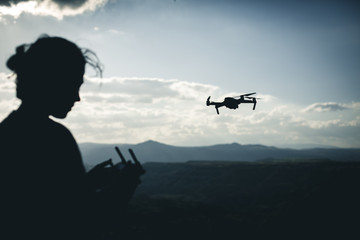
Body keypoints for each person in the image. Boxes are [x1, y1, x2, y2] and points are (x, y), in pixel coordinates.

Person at [0, 35, 143, 239]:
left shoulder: (9, 130)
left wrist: (86, 183)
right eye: (73, 84)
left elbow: (43, 201)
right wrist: (126, 185)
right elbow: (85, 222)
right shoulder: (54, 138)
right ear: (51, 82)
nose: (77, 97)